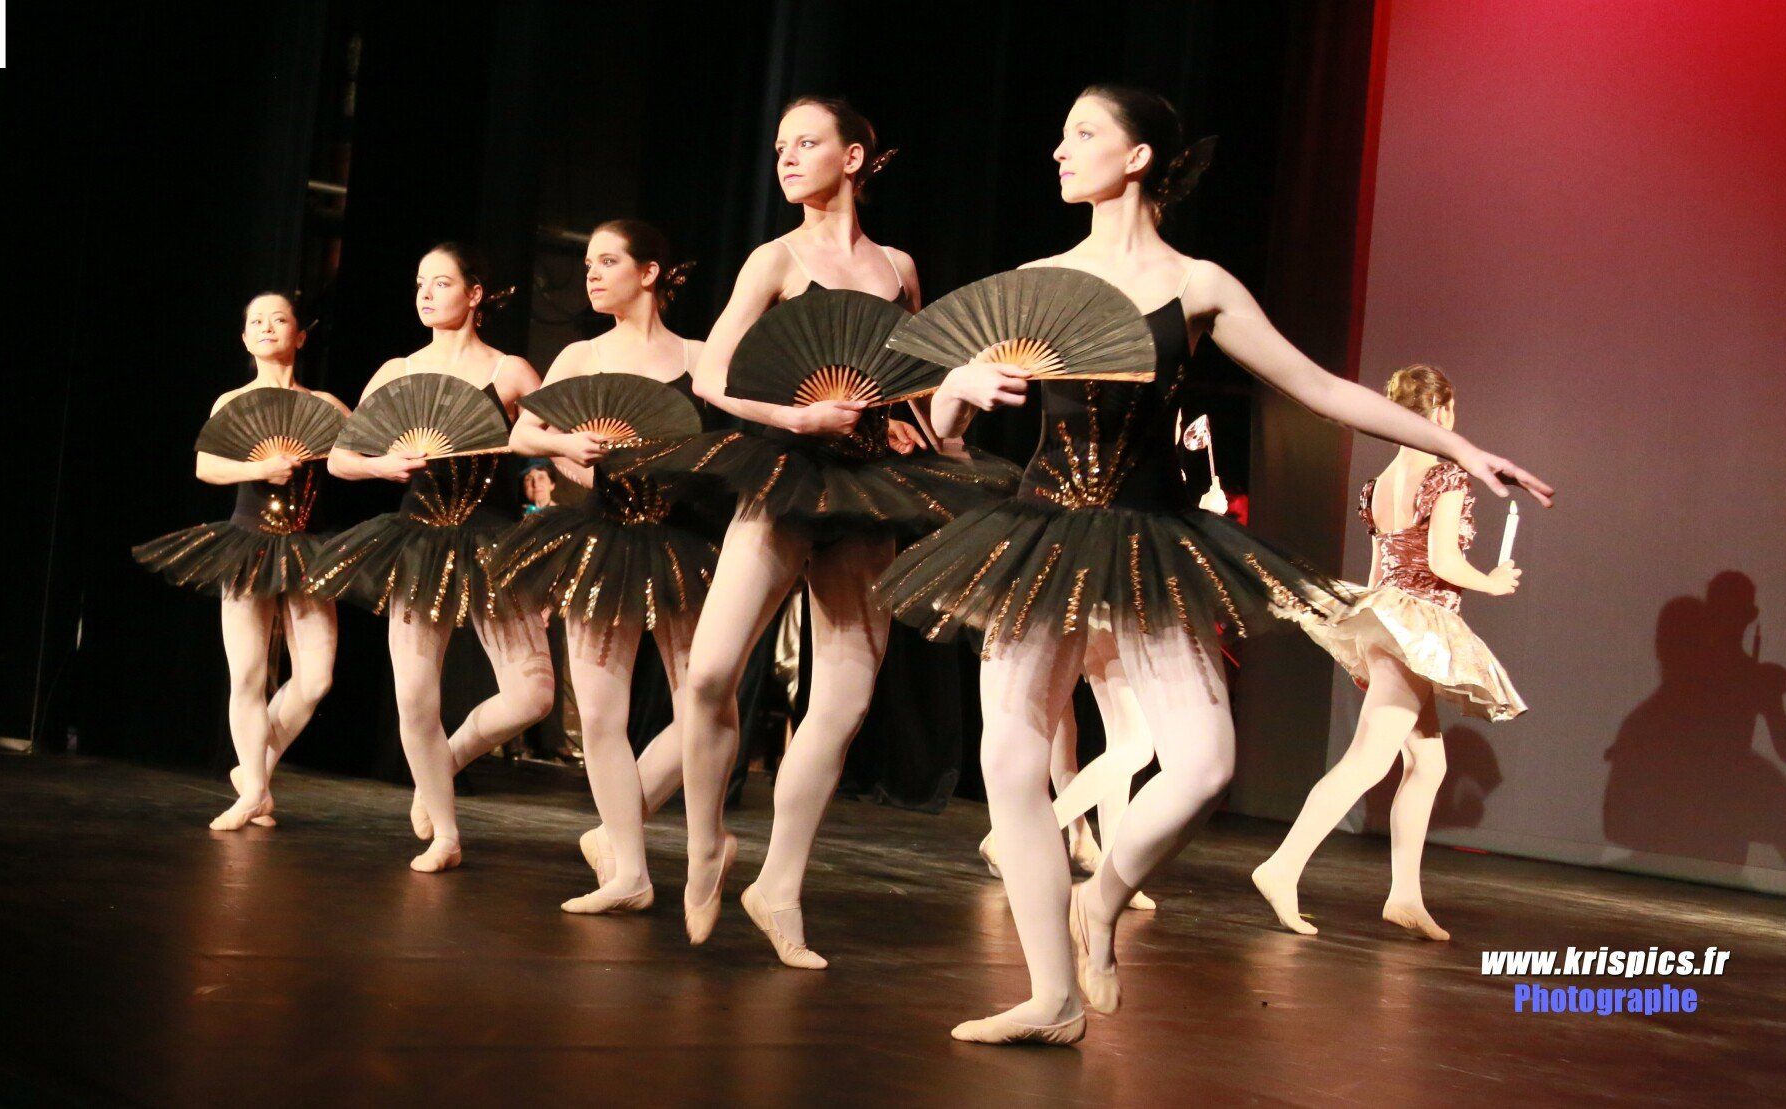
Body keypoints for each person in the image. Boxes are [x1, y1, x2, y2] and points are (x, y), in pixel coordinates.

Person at [879, 85, 1552, 1044]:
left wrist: (1461, 450)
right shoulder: (1037, 277)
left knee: (1203, 763)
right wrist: (957, 390)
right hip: (1037, 526)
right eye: (1061, 132)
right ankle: (1051, 995)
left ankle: (1101, 900)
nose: (1060, 151)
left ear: (1141, 156)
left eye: (1083, 134)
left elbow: (1318, 387)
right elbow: (942, 438)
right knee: (1010, 757)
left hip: (1149, 535)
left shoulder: (1198, 286)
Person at [601, 96, 1016, 967]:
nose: (787, 157)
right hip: (788, 471)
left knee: (844, 697)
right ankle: (708, 840)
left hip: (871, 489)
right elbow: (712, 377)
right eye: (781, 146)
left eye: (807, 143)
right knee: (711, 671)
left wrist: (949, 409)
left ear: (855, 157)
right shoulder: (775, 257)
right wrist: (797, 421)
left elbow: (916, 390)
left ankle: (780, 883)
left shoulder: (899, 267)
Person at [1254, 364, 1527, 942]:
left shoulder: (1380, 482)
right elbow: (1443, 563)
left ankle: (1403, 895)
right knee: (1369, 759)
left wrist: (1367, 647)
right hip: (1416, 628)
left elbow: (1380, 571)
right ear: (1444, 414)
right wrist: (1492, 581)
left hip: (1390, 620)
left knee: (1428, 763)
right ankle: (1281, 867)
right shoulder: (1446, 475)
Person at [308, 243, 555, 873]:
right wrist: (380, 465)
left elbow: (550, 452)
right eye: (420, 282)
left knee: (533, 696)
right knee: (414, 692)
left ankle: (446, 760)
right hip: (416, 539)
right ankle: (444, 832)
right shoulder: (397, 370)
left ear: (475, 294)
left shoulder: (510, 372)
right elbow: (339, 457)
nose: (425, 293)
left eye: (440, 282)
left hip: (491, 537)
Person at [502, 218, 716, 913]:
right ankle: (629, 867)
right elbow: (523, 432)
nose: (592, 274)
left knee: (705, 706)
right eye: (588, 262)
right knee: (599, 709)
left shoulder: (701, 354)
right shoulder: (582, 354)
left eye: (607, 261)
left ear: (649, 272)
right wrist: (570, 445)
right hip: (602, 534)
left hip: (681, 538)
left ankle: (617, 830)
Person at [133, 291, 346, 831]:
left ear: (300, 335)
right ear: (245, 339)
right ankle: (254, 790)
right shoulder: (231, 401)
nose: (267, 328)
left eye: (279, 320)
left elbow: (352, 460)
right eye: (256, 321)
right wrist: (259, 469)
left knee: (316, 678)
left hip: (309, 547)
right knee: (248, 672)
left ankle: (255, 768)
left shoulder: (328, 405)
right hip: (248, 542)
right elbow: (206, 466)